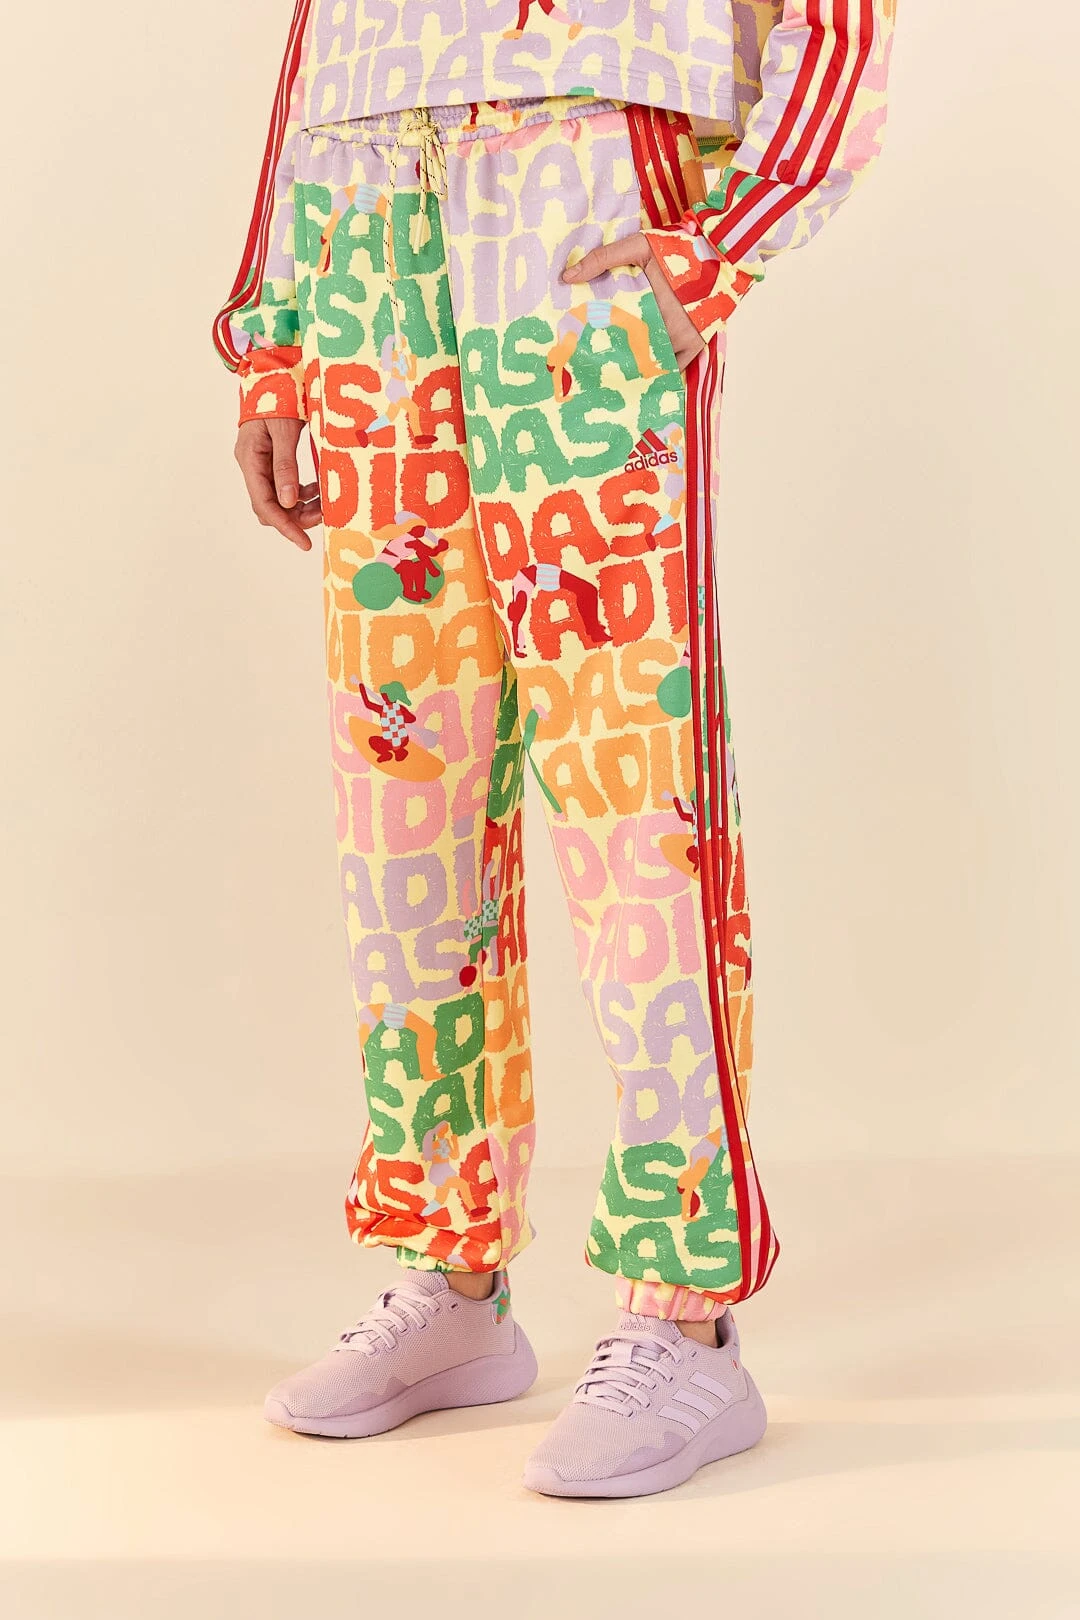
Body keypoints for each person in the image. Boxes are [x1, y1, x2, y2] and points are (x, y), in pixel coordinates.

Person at [214, 0, 893, 1498]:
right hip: (363, 214)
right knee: (403, 792)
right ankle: (449, 1272)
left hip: (580, 187)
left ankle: (683, 1314)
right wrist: (272, 334)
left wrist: (726, 237)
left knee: (635, 790)